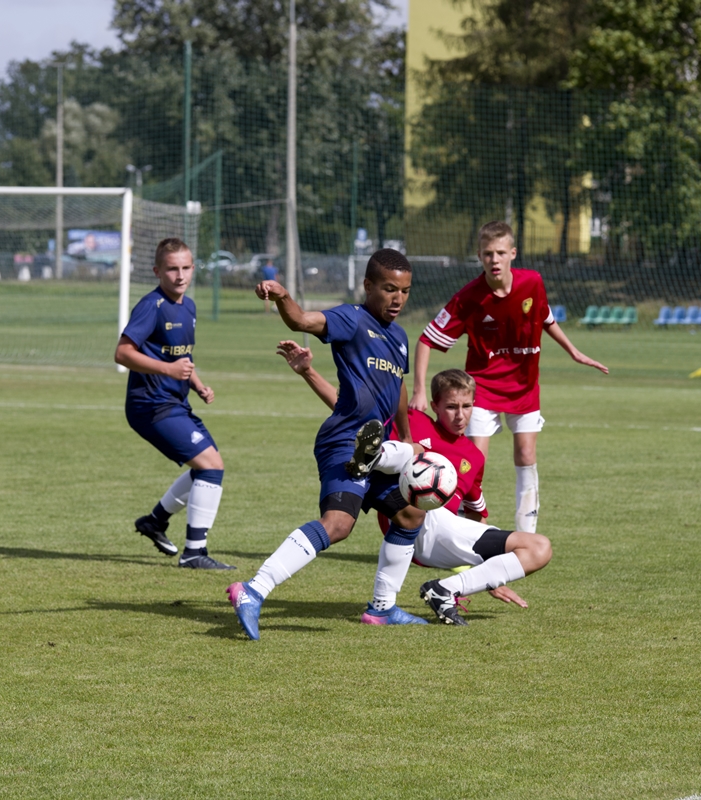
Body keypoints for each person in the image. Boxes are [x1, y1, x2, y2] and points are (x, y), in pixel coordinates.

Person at [227, 249, 429, 640]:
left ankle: (382, 609)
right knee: (338, 524)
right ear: (368, 285)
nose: (398, 299)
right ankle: (253, 589)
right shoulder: (351, 319)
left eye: (405, 291)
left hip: (377, 446)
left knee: (409, 516)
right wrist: (283, 296)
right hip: (345, 440)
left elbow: (399, 387)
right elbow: (303, 320)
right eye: (389, 289)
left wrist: (406, 436)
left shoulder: (400, 337)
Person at [278, 341, 553, 625]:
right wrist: (308, 372)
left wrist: (491, 572)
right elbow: (348, 410)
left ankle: (445, 589)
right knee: (413, 450)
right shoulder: (413, 422)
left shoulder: (474, 456)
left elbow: (475, 513)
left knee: (538, 548)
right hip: (412, 518)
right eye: (451, 407)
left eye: (467, 406)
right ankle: (377, 458)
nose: (460, 415)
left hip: (441, 534)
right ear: (435, 406)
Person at [411, 220, 610, 534]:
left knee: (527, 454)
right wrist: (419, 390)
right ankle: (460, 534)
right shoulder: (468, 298)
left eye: (500, 252)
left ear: (513, 253)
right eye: (488, 253)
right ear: (479, 255)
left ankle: (526, 535)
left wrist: (573, 351)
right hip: (482, 388)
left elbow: (545, 317)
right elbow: (426, 340)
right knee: (473, 463)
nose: (494, 259)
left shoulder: (532, 282)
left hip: (524, 387)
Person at [115, 238, 232, 570]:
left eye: (185, 268)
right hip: (150, 405)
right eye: (171, 269)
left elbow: (181, 357)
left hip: (174, 402)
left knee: (207, 467)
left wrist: (197, 384)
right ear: (157, 271)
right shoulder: (151, 306)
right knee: (211, 466)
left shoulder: (189, 307)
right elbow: (122, 353)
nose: (180, 275)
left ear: (193, 268)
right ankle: (195, 552)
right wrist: (168, 371)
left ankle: (154, 522)